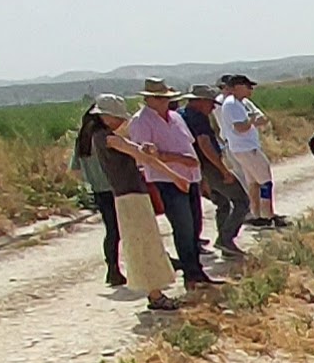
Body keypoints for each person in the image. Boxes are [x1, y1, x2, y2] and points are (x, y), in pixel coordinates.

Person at [88, 96, 181, 310]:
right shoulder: (106, 138)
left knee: (144, 242)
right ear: (107, 116)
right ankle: (155, 295)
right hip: (130, 196)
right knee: (144, 244)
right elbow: (138, 153)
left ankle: (155, 292)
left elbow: (136, 151)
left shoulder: (106, 137)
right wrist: (174, 176)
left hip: (130, 195)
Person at [124, 79, 215, 287]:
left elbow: (188, 144)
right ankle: (191, 274)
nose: (164, 102)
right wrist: (180, 160)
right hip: (167, 179)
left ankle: (196, 272)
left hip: (191, 177)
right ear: (147, 99)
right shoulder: (140, 121)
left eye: (165, 98)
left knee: (194, 226)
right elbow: (146, 155)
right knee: (183, 226)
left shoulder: (175, 117)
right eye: (158, 98)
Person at [183, 85, 249, 255]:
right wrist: (223, 171)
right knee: (242, 200)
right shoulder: (198, 118)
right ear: (200, 102)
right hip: (209, 167)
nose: (213, 107)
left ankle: (224, 243)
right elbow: (204, 144)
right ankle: (226, 240)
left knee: (222, 203)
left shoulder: (181, 116)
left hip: (195, 170)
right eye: (210, 103)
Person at [69, 108, 123, 288]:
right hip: (116, 187)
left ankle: (112, 267)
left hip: (98, 190)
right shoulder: (105, 137)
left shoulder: (82, 140)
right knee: (126, 229)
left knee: (112, 231)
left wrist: (90, 178)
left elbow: (75, 169)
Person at [215, 74, 276, 226]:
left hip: (243, 147)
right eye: (247, 86)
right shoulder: (231, 104)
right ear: (237, 87)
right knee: (265, 181)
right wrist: (252, 119)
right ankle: (267, 215)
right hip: (246, 147)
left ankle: (256, 214)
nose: (250, 89)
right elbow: (240, 127)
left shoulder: (239, 103)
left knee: (253, 182)